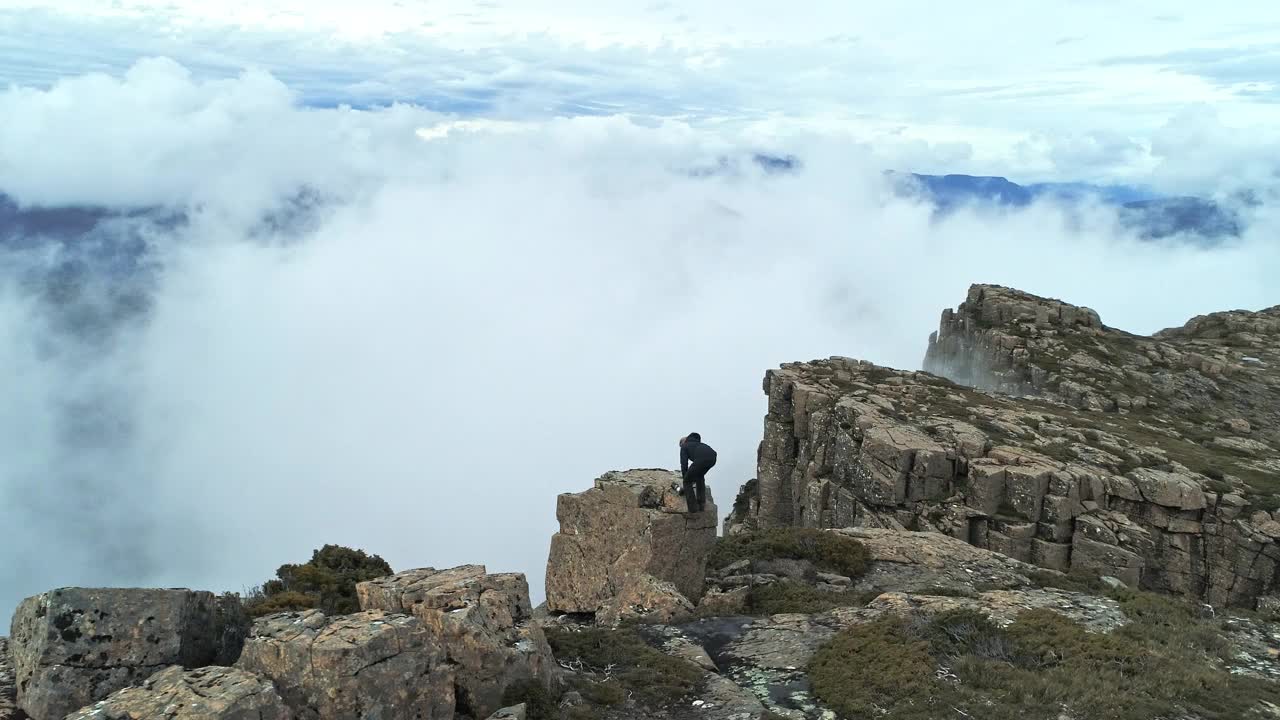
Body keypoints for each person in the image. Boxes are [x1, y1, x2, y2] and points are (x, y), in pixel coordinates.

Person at [679, 432, 717, 513]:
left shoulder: (684, 446)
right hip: (713, 457)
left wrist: (685, 477)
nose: (681, 447)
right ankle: (701, 503)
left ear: (683, 442)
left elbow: (684, 464)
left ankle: (693, 509)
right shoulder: (697, 444)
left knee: (687, 481)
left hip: (701, 459)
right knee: (699, 476)